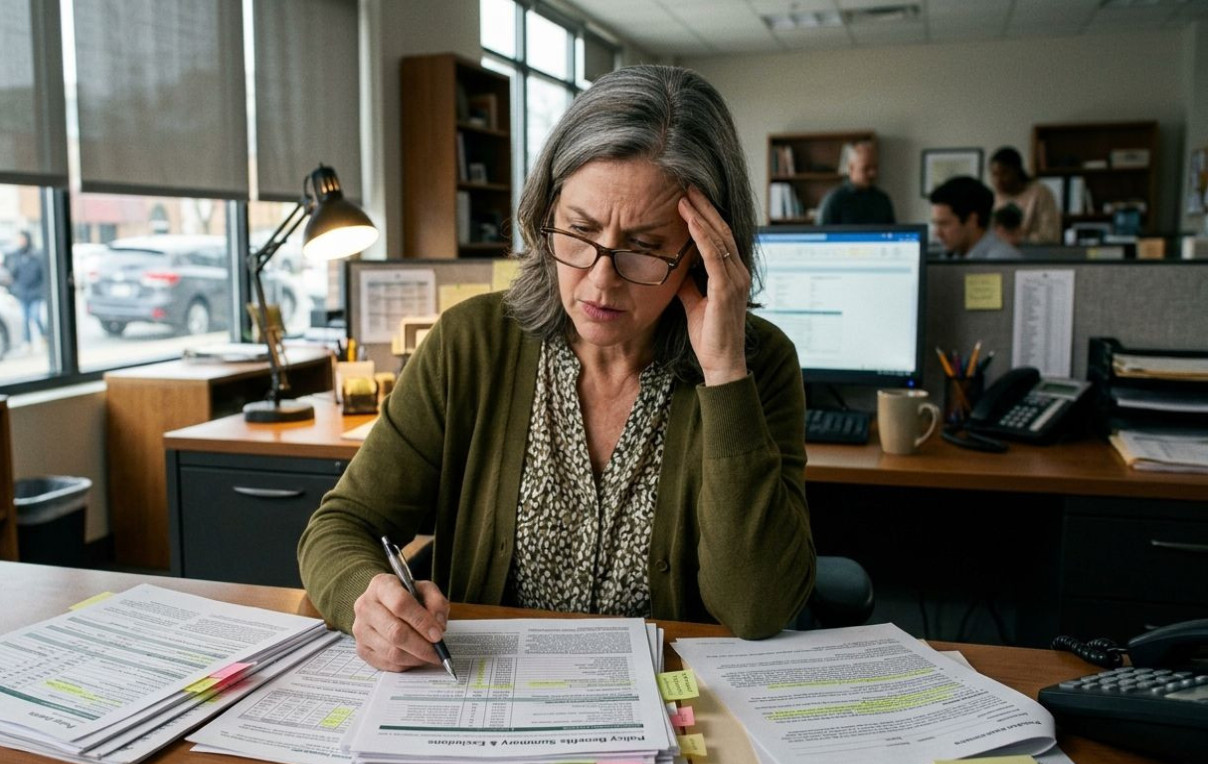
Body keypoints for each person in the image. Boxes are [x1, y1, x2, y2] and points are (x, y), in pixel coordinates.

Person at [298, 65, 815, 673]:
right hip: (482, 706)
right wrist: (368, 595)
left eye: (645, 248)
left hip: (671, 720)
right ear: (545, 211)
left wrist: (724, 371)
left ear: (705, 253)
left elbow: (756, 609)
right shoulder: (473, 344)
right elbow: (339, 527)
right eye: (579, 230)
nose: (600, 281)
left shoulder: (757, 364)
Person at [929, 176, 1022, 260]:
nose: (937, 233)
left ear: (971, 220)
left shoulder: (1002, 262)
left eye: (944, 224)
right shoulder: (951, 257)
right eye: (935, 224)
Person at [989, 147, 1061, 245]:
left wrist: (1019, 239)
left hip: (1033, 254)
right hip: (1000, 253)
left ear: (1017, 171)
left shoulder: (1040, 193)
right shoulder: (992, 198)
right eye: (994, 175)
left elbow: (1051, 235)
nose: (998, 180)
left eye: (1004, 173)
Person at [815, 141, 895, 225]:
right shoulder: (834, 200)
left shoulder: (882, 200)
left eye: (875, 167)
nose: (873, 173)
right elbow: (821, 235)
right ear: (851, 168)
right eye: (866, 168)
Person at [5, 231, 47, 348]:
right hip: (23, 293)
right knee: (25, 319)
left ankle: (44, 336)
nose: (20, 242)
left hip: (35, 293)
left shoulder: (35, 255)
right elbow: (14, 274)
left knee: (35, 316)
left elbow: (42, 274)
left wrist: (41, 290)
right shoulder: (17, 256)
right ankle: (28, 342)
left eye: (22, 239)